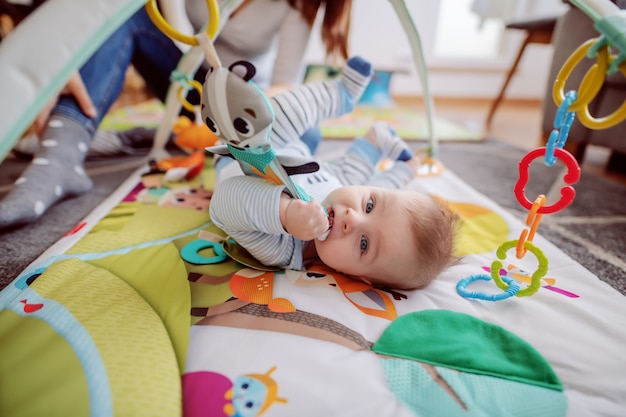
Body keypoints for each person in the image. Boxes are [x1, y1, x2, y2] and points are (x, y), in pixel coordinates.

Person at [0, 0, 352, 229]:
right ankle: (60, 156)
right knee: (126, 13)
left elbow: (284, 84)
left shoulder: (297, 6)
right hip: (189, 80)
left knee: (307, 135)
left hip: (244, 105)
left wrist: (236, 108)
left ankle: (175, 137)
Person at [207, 56, 460, 291]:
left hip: (243, 153)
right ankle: (349, 115)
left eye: (364, 244)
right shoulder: (342, 192)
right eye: (370, 205)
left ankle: (339, 95)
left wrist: (285, 214)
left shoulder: (282, 248)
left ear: (359, 277)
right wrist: (405, 166)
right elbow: (384, 186)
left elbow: (223, 201)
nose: (353, 218)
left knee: (272, 126)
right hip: (299, 150)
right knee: (319, 142)